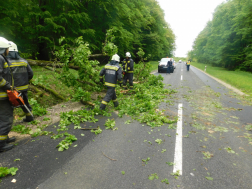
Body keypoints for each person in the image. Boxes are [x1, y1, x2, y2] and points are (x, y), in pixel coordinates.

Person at [6, 41, 34, 122]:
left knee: (8, 106)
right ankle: (30, 117)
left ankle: (8, 123)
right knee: (24, 103)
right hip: (24, 87)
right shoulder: (24, 61)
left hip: (11, 89)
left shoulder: (5, 62)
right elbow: (31, 74)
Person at [0, 37, 15, 152]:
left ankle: (4, 138)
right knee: (6, 119)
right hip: (2, 96)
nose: (8, 51)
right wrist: (8, 86)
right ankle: (1, 144)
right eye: (7, 49)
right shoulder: (0, 58)